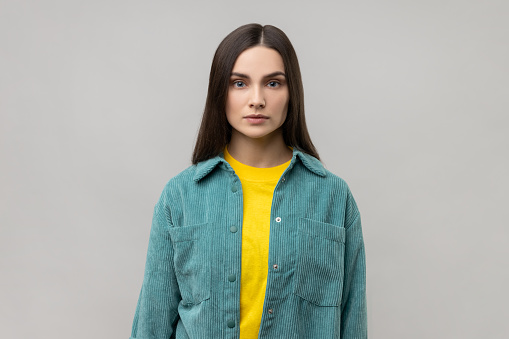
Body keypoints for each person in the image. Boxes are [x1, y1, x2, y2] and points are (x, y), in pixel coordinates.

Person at [129, 23, 367, 339]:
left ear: (291, 91)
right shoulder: (181, 195)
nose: (257, 99)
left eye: (272, 83)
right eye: (239, 83)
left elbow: (352, 319)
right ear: (220, 92)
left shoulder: (334, 197)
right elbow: (151, 322)